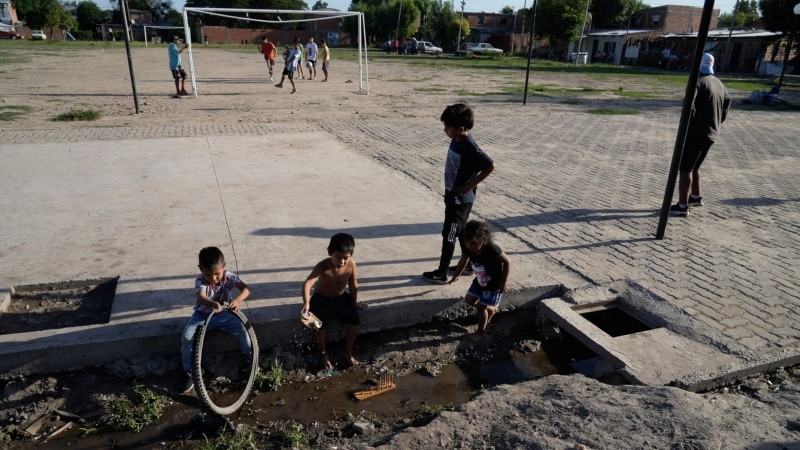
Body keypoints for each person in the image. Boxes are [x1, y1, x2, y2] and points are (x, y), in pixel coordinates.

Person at [422, 103, 495, 284]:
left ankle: (441, 272)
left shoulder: (470, 146)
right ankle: (469, 264)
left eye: (447, 127)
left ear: (460, 129)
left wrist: (469, 185)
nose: (444, 130)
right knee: (461, 232)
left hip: (460, 201)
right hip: (452, 196)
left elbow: (490, 166)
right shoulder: (457, 139)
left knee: (449, 234)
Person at [179, 247, 252, 393]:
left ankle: (251, 360)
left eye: (217, 274)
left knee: (245, 332)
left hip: (226, 315)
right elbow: (201, 296)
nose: (213, 278)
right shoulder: (200, 281)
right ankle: (190, 371)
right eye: (208, 274)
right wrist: (211, 304)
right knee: (187, 337)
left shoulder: (229, 277)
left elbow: (246, 289)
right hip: (202, 316)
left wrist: (237, 300)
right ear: (200, 269)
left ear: (224, 266)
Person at [670, 53, 731, 217]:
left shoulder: (697, 83)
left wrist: (688, 125)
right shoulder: (718, 83)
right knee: (695, 165)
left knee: (685, 168)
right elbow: (727, 100)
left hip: (697, 132)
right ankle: (695, 196)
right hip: (712, 133)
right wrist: (719, 119)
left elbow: (688, 105)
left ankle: (682, 206)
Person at [301, 233, 363, 369]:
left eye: (345, 258)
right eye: (338, 257)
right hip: (321, 299)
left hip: (341, 298)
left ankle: (348, 352)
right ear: (330, 252)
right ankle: (324, 354)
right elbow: (307, 283)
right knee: (314, 324)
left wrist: (354, 302)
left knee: (355, 322)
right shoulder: (323, 266)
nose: (341, 262)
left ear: (351, 255)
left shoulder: (351, 264)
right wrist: (306, 302)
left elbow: (353, 284)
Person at [448, 220, 511, 341]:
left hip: (493, 285)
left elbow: (507, 262)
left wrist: (503, 283)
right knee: (469, 300)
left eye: (473, 243)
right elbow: (463, 260)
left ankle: (480, 332)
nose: (469, 246)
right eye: (466, 242)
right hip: (480, 281)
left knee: (480, 308)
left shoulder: (492, 249)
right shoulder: (468, 248)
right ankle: (491, 309)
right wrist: (456, 275)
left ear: (484, 240)